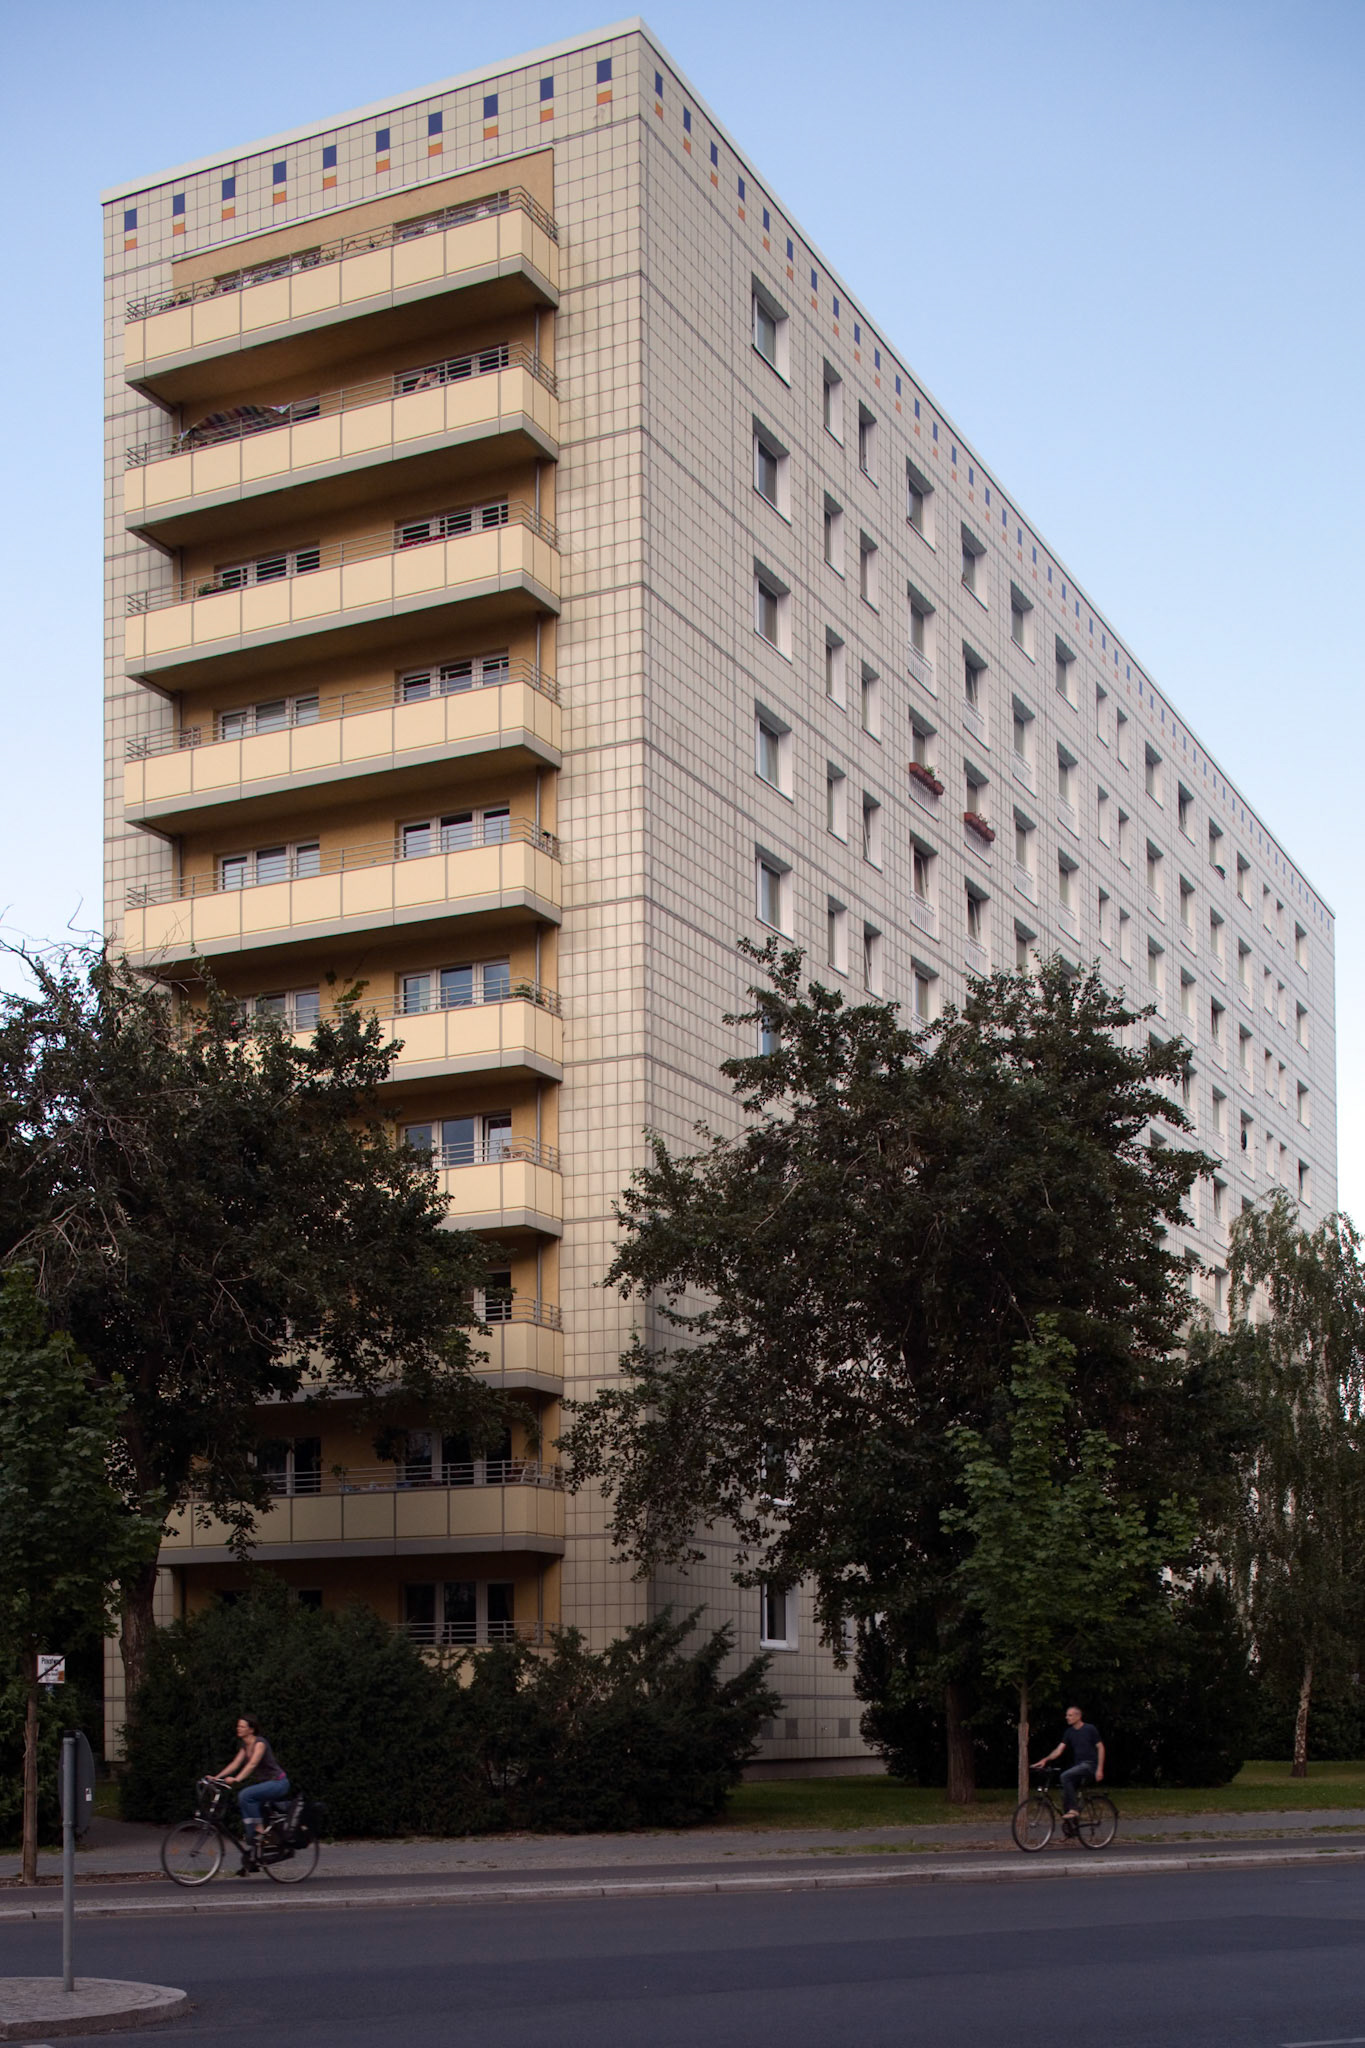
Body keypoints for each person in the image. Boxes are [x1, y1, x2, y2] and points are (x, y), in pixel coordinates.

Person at [212, 1715, 290, 1872]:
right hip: (268, 1784)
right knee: (244, 1801)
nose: (238, 1728)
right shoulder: (244, 1746)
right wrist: (216, 1777)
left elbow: (253, 1763)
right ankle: (254, 1852)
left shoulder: (259, 1743)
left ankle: (259, 1830)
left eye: (242, 1726)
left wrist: (237, 1779)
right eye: (238, 1726)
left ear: (251, 1729)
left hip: (279, 1783)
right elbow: (235, 1763)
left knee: (245, 1795)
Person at [1034, 1705, 1105, 1824]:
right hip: (1078, 1766)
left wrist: (1099, 1769)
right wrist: (1045, 1760)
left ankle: (1074, 1809)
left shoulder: (1090, 1729)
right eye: (1067, 1715)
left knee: (1065, 1776)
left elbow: (1101, 1747)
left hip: (1089, 1765)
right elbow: (1059, 1750)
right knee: (1065, 1794)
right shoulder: (1069, 1732)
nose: (1067, 1717)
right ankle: (1071, 1829)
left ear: (1078, 1716)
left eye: (1070, 1715)